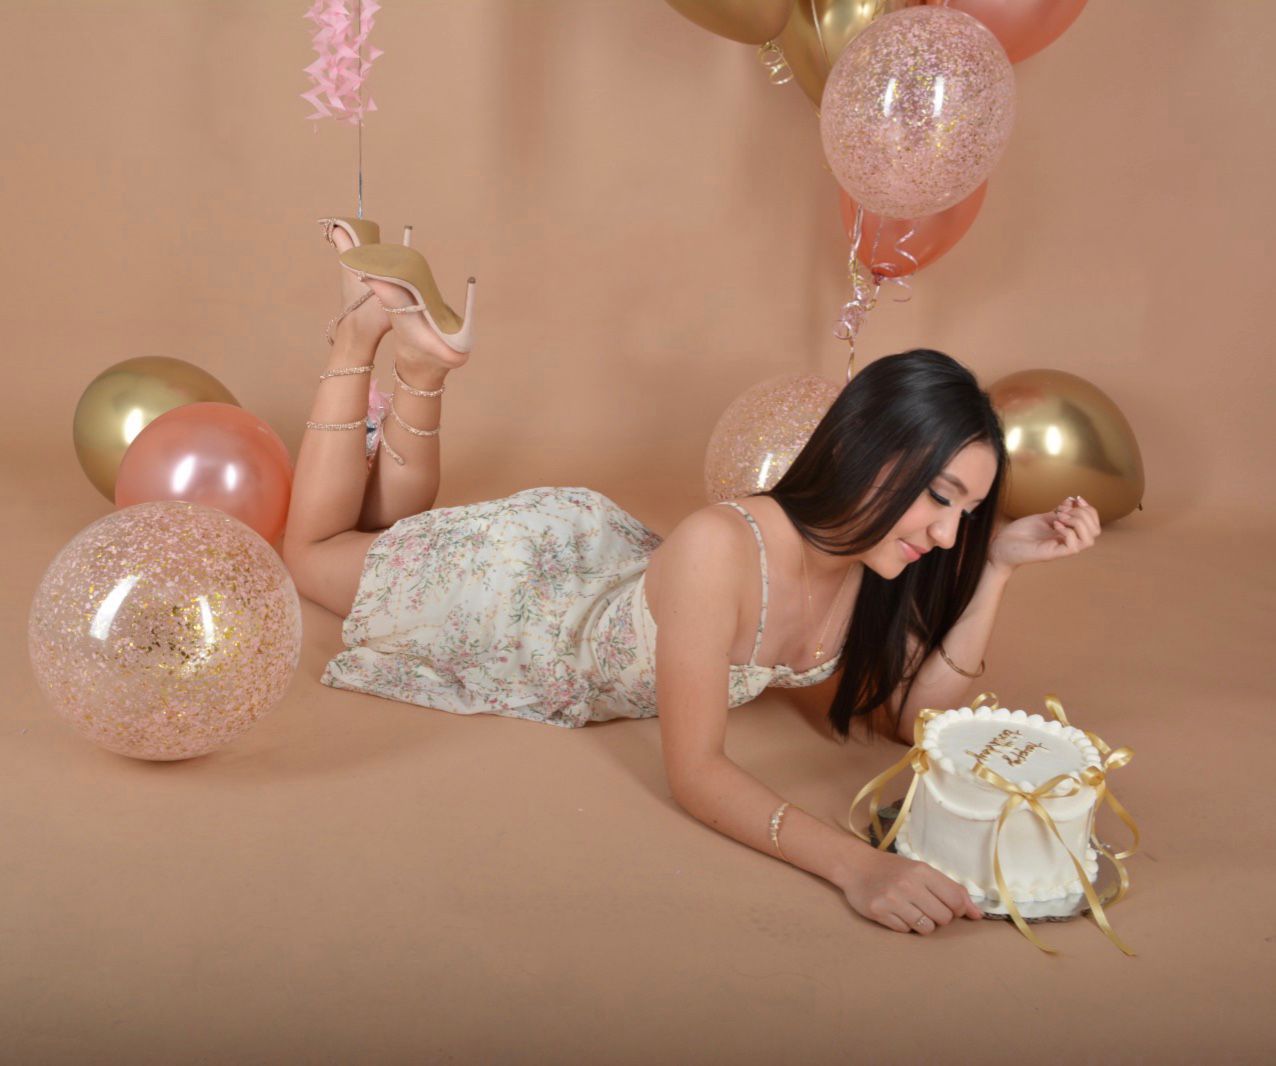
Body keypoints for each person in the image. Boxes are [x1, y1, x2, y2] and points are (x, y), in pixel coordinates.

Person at [283, 219, 1103, 939]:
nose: (949, 534)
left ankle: (420, 364)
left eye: (969, 512)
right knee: (314, 553)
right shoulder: (724, 548)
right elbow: (697, 772)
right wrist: (856, 866)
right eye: (941, 498)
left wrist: (998, 566)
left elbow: (908, 719)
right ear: (874, 455)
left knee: (378, 535)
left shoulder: (870, 566)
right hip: (518, 595)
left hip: (598, 575)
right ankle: (357, 336)